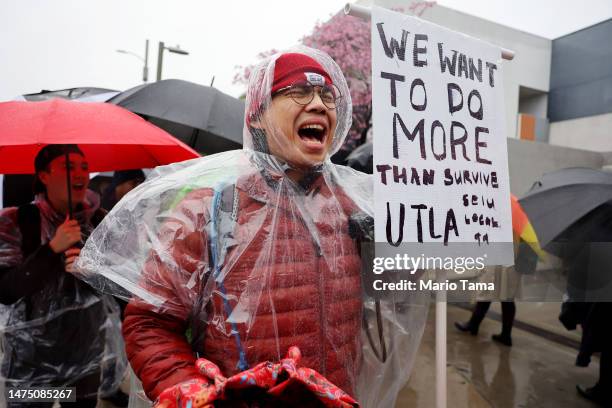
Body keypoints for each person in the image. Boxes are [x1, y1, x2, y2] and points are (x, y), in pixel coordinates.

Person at [77, 48, 426, 408]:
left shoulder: (353, 209)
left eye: (327, 95)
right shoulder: (207, 210)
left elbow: (398, 298)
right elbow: (149, 324)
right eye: (299, 92)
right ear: (258, 114)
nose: (319, 105)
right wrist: (194, 393)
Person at [0, 144, 125, 407]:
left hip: (84, 360)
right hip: (30, 363)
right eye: (68, 167)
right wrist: (51, 249)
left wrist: (92, 271)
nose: (79, 174)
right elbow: (6, 291)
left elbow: (121, 288)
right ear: (43, 176)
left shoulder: (99, 221)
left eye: (84, 167)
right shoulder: (15, 221)